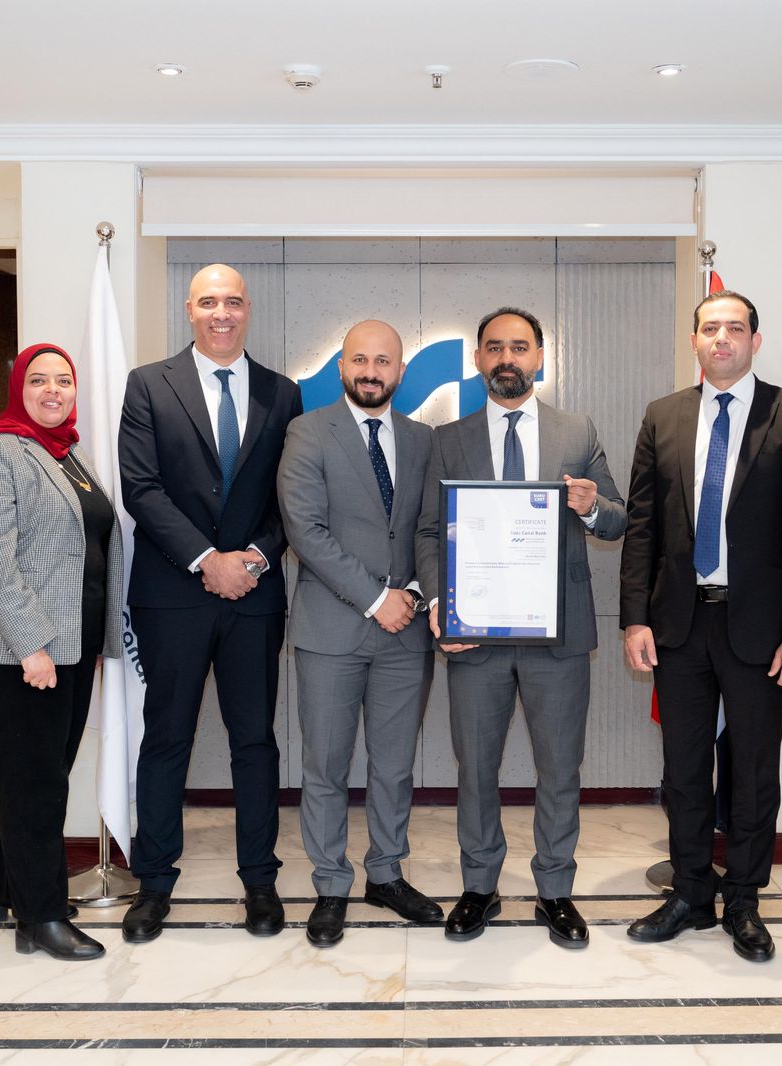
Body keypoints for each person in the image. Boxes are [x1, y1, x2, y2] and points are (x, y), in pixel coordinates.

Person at [618, 291, 782, 961]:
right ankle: (689, 892)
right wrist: (634, 619)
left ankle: (743, 899)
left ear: (754, 341)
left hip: (761, 631)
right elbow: (643, 528)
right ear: (694, 340)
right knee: (683, 770)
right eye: (710, 328)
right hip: (679, 625)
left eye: (735, 328)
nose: (722, 339)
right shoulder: (663, 416)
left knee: (754, 772)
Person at [414, 306, 626, 949]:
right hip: (475, 633)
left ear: (539, 357)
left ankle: (555, 890)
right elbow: (429, 532)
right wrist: (439, 602)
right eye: (495, 347)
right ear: (478, 359)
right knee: (476, 768)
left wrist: (590, 508)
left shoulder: (576, 430)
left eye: (520, 347)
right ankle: (479, 887)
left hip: (557, 636)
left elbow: (619, 518)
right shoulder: (447, 438)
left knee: (560, 767)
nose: (507, 358)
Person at [118, 264, 303, 943]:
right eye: (208, 302)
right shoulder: (148, 384)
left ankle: (260, 879)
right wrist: (207, 559)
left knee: (255, 741)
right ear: (189, 310)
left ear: (247, 309)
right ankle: (153, 882)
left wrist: (252, 556)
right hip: (172, 594)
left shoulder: (283, 393)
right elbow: (141, 488)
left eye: (232, 302)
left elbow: (292, 496)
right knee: (167, 737)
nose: (221, 313)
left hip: (254, 594)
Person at [0, 343, 124, 961]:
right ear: (18, 387)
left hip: (72, 644)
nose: (52, 391)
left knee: (31, 775)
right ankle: (40, 917)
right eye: (38, 380)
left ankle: (7, 891)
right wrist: (32, 646)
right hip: (17, 650)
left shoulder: (68, 454)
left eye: (63, 381)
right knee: (37, 784)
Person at [277, 319, 442, 948]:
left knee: (394, 765)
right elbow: (306, 530)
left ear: (400, 371)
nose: (371, 371)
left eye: (383, 361)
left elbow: (430, 529)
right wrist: (377, 600)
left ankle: (386, 874)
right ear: (341, 366)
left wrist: (416, 595)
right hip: (332, 629)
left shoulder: (423, 439)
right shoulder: (307, 431)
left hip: (406, 632)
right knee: (325, 764)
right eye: (359, 360)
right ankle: (329, 884)